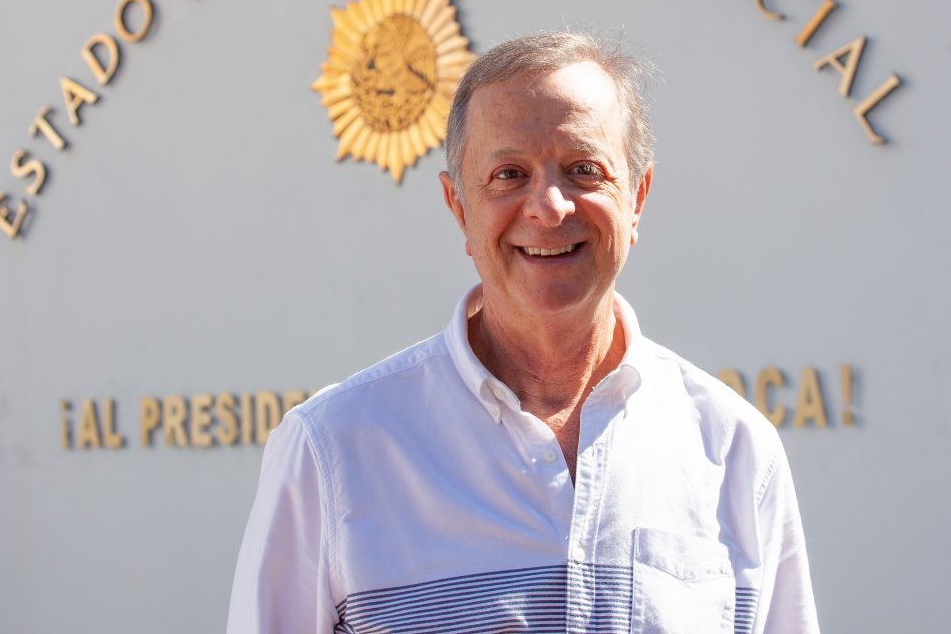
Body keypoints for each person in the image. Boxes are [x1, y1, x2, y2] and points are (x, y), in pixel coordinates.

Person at [227, 31, 820, 634]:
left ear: (637, 198)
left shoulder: (735, 450)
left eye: (584, 170)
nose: (549, 207)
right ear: (458, 206)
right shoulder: (332, 452)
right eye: (509, 174)